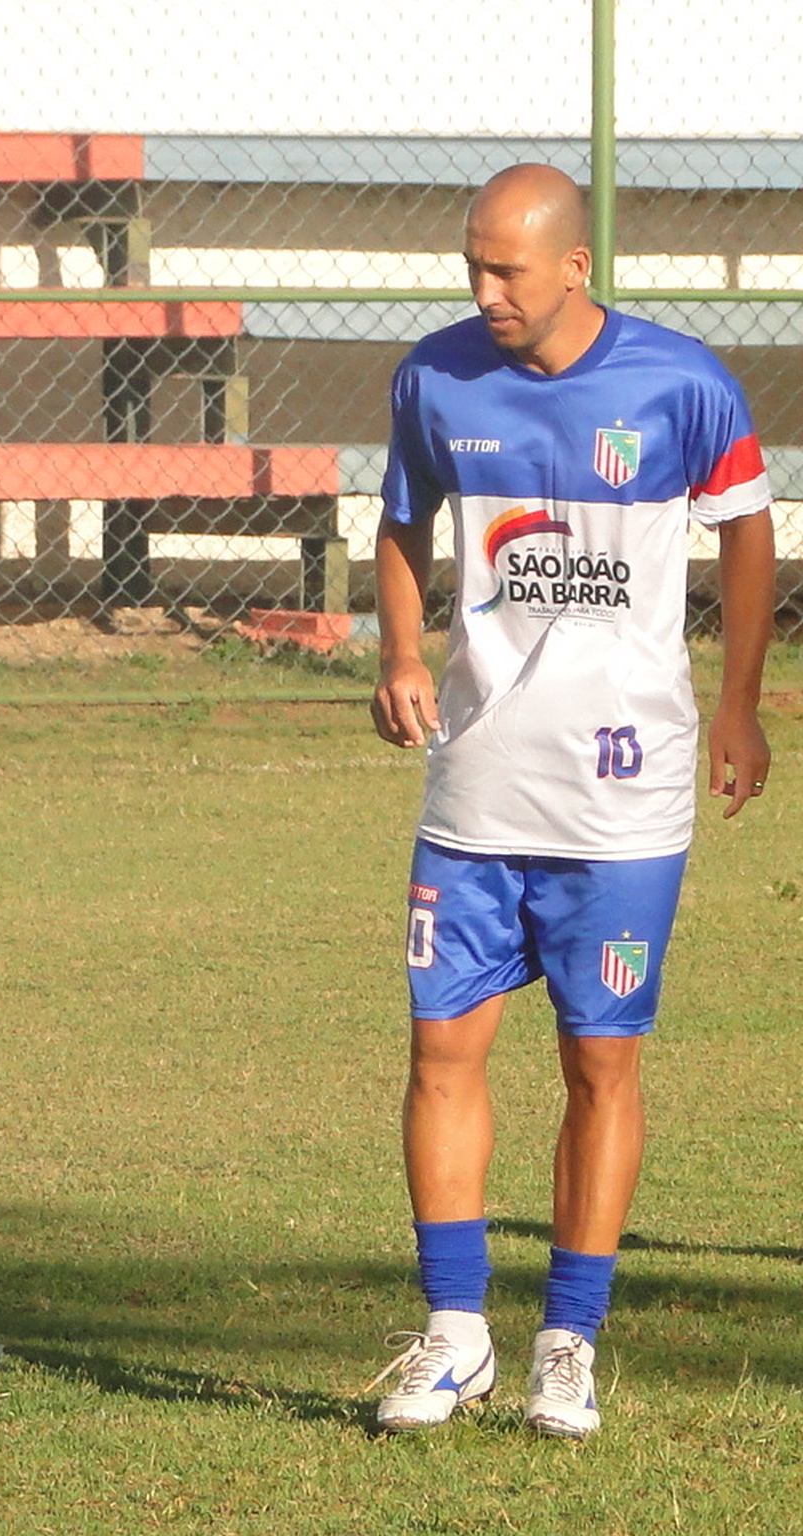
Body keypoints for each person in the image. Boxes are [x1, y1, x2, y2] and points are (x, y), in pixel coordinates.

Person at [365, 163, 775, 1440]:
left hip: (621, 796)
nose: (482, 291)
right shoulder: (433, 377)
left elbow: (749, 532)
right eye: (470, 265)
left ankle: (565, 1343)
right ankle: (450, 1337)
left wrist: (740, 700)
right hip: (477, 781)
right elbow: (399, 519)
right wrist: (395, 649)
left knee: (599, 1062)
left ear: (572, 267)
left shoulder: (683, 384)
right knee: (441, 1051)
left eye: (505, 270)